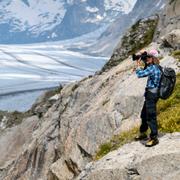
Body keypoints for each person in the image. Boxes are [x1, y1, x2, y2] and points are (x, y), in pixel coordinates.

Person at [134, 49, 162, 147]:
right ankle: (143, 133)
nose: (147, 59)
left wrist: (137, 64)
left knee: (150, 116)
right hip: (152, 94)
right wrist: (143, 56)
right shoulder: (156, 67)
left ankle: (154, 138)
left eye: (149, 57)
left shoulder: (153, 68)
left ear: (153, 58)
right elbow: (146, 69)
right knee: (144, 114)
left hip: (151, 95)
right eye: (146, 57)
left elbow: (139, 74)